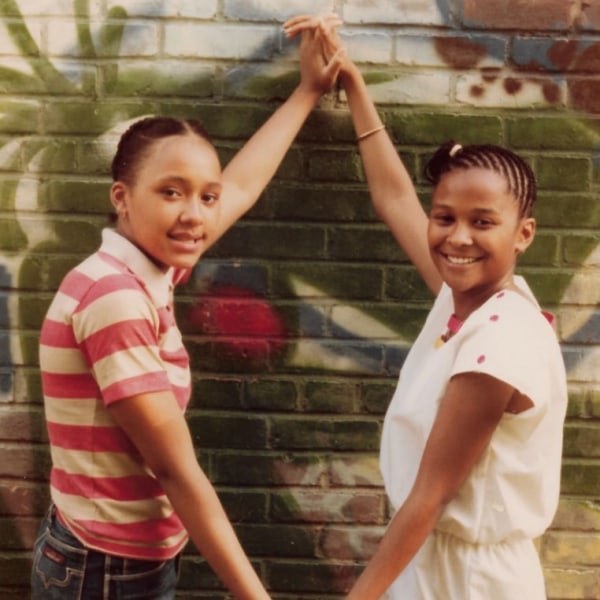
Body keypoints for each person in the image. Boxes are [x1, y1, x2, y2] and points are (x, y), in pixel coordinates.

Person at [30, 21, 343, 600]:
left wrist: (307, 91)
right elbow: (177, 471)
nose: (195, 214)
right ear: (121, 197)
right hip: (104, 572)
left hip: (110, 555)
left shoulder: (145, 267)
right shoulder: (117, 299)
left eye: (205, 194)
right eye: (171, 192)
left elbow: (242, 185)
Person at [284, 16, 568, 600]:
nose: (456, 237)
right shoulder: (468, 298)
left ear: (524, 234)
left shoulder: (499, 343)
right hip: (435, 566)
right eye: (445, 217)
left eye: (483, 222)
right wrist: (353, 87)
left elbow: (431, 494)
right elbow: (393, 197)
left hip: (470, 583)